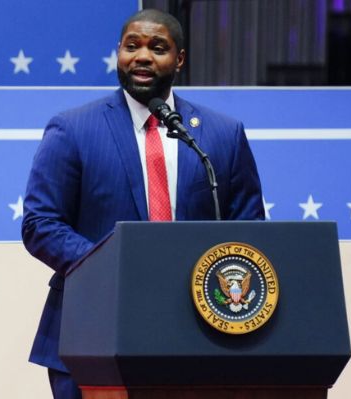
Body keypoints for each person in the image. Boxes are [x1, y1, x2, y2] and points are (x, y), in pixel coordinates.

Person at [21, 9, 264, 399]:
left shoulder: (221, 136)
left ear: (179, 59)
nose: (142, 56)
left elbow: (249, 230)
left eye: (158, 47)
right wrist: (114, 269)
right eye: (131, 46)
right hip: (94, 332)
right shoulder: (73, 129)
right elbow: (40, 224)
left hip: (199, 336)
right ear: (118, 53)